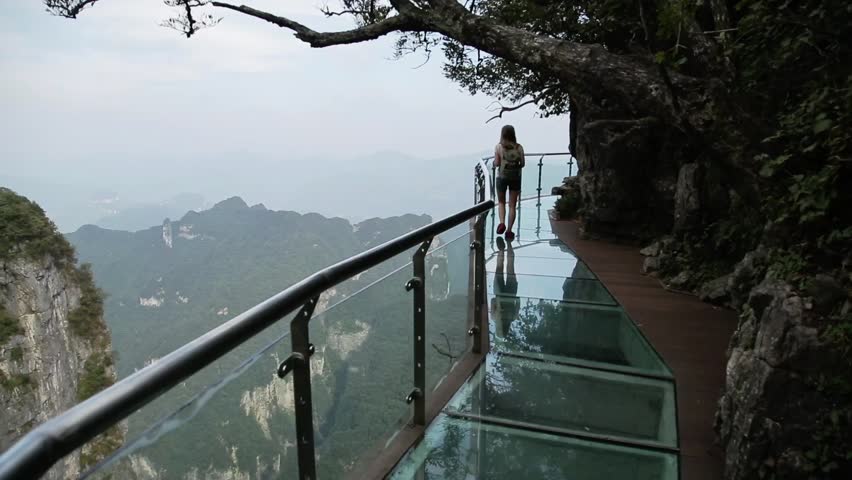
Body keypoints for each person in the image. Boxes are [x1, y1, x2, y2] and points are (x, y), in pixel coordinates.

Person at [494, 125, 525, 241]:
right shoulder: (519, 147)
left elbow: (497, 163)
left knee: (501, 202)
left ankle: (502, 223)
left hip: (502, 177)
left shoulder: (498, 147)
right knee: (512, 205)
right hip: (516, 178)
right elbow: (522, 164)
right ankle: (509, 231)